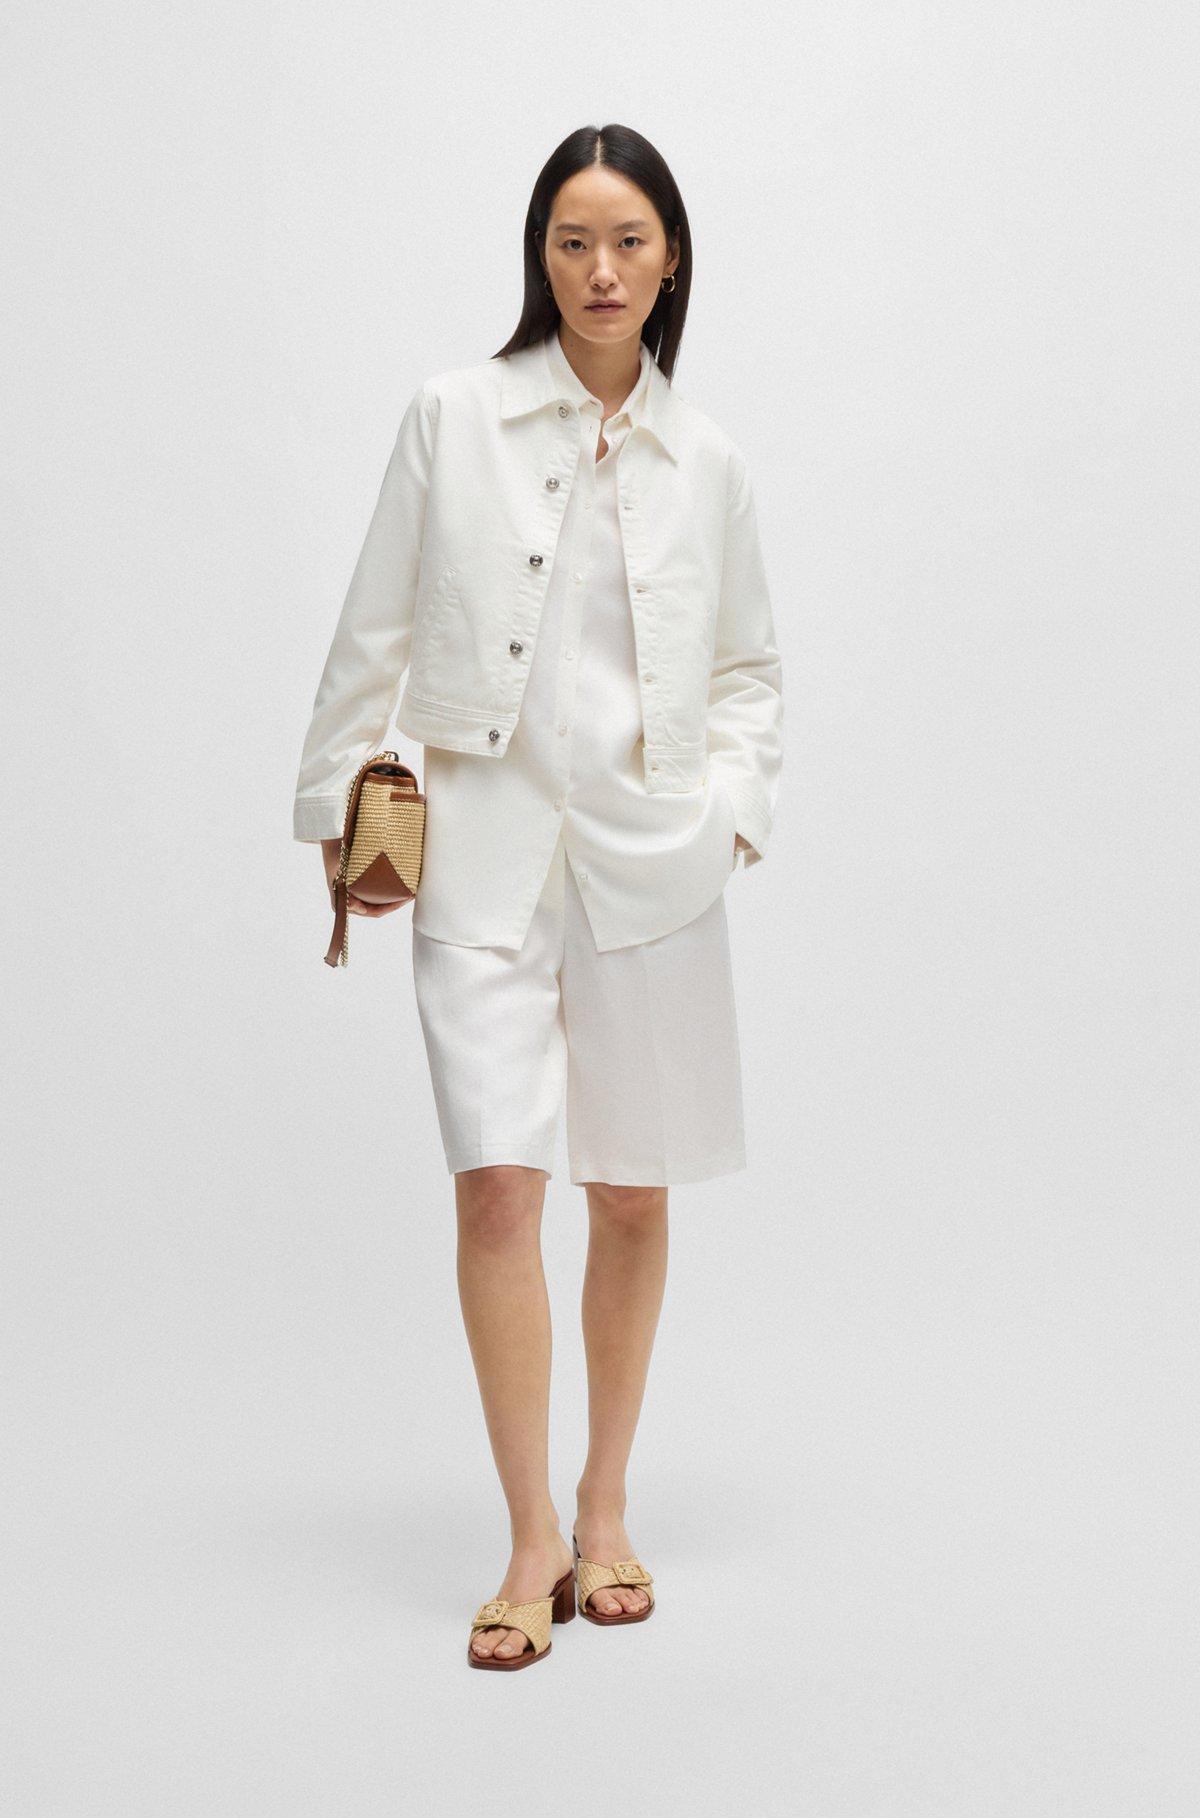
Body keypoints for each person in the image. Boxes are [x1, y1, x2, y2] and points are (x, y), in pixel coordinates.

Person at [292, 123, 783, 1670]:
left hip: (651, 865)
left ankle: (606, 1502)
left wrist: (732, 815)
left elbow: (751, 672)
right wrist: (337, 804)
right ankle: (528, 1539)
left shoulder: (710, 461)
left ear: (672, 260)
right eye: (574, 241)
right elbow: (372, 625)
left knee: (630, 1190)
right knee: (499, 1186)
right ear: (541, 257)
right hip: (486, 856)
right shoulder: (454, 416)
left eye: (628, 240)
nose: (601, 270)